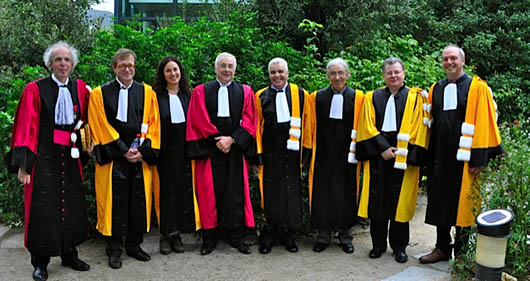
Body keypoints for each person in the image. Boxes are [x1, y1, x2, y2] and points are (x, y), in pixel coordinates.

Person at [8, 41, 91, 281]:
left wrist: (89, 145)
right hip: (44, 157)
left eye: (66, 60)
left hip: (71, 157)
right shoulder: (35, 89)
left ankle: (69, 254)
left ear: (72, 64)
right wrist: (24, 164)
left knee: (72, 205)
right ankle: (40, 263)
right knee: (43, 208)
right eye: (58, 60)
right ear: (50, 64)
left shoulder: (82, 89)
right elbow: (26, 126)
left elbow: (87, 122)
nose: (63, 64)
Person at [419, 45, 503, 263]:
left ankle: (463, 253)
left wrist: (479, 158)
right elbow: (429, 124)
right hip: (440, 157)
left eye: (453, 58)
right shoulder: (435, 88)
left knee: (464, 203)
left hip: (466, 158)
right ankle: (441, 248)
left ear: (463, 61)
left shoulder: (478, 88)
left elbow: (485, 124)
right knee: (440, 202)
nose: (449, 62)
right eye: (445, 59)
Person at [88, 48, 161, 269]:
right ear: (114, 68)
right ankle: (114, 249)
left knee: (138, 201)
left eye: (130, 65)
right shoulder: (99, 94)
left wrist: (142, 151)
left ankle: (134, 245)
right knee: (114, 204)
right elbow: (99, 124)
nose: (127, 69)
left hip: (139, 156)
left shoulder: (147, 92)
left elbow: (154, 123)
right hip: (114, 158)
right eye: (122, 66)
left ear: (135, 67)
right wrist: (122, 150)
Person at [356, 57, 429, 263]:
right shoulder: (373, 97)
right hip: (379, 155)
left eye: (397, 72)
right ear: (384, 76)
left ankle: (399, 247)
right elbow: (366, 125)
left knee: (400, 202)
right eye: (389, 73)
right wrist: (382, 149)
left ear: (404, 74)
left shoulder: (415, 99)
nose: (393, 76)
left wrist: (401, 151)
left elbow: (418, 127)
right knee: (376, 201)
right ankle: (377, 245)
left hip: (403, 155)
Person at [186, 52, 256, 255]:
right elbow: (198, 118)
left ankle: (237, 237)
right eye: (223, 66)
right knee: (209, 194)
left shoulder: (245, 91)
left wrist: (232, 140)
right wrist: (219, 140)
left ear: (235, 69)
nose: (227, 70)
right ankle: (210, 238)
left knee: (236, 194)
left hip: (235, 150)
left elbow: (250, 119)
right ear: (215, 68)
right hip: (210, 150)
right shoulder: (201, 91)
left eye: (230, 66)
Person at [254, 58, 312, 254]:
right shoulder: (260, 96)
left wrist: (306, 153)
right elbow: (256, 127)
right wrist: (257, 154)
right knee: (270, 193)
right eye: (273, 72)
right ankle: (269, 234)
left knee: (291, 193)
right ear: (268, 74)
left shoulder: (300, 94)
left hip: (293, 154)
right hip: (270, 154)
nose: (277, 75)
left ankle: (289, 234)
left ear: (287, 73)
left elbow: (309, 124)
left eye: (280, 71)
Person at [307, 58, 364, 254]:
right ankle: (323, 235)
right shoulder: (317, 97)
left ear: (347, 75)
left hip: (347, 156)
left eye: (341, 73)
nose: (337, 77)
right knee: (322, 193)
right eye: (333, 73)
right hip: (323, 154)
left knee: (346, 193)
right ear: (327, 75)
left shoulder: (358, 98)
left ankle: (345, 235)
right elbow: (310, 127)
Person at [152, 56, 199, 255]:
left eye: (176, 70)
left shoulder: (190, 96)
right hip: (165, 153)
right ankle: (166, 235)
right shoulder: (156, 97)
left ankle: (178, 234)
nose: (173, 74)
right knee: (166, 194)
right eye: (169, 71)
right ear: (163, 75)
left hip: (185, 152)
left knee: (183, 193)